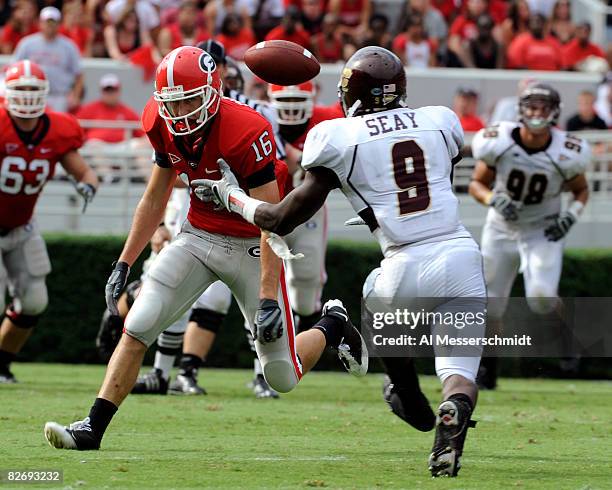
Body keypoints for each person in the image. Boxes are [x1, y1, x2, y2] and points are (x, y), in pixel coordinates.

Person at [44, 46, 367, 451]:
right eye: (173, 104)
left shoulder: (247, 130)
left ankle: (332, 324)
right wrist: (124, 261)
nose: (181, 114)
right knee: (140, 321)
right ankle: (92, 428)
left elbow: (269, 219)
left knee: (281, 376)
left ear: (214, 91)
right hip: (198, 235)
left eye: (191, 100)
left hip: (253, 243)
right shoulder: (160, 122)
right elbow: (154, 196)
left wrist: (268, 294)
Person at [192, 46, 486, 478]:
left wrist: (228, 195)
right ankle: (453, 409)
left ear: (352, 93)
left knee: (374, 296)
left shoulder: (338, 137)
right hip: (461, 254)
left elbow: (279, 218)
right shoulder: (440, 119)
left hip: (403, 262)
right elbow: (432, 172)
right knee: (459, 373)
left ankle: (407, 397)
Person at [469, 83, 590, 389]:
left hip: (542, 230)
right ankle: (487, 367)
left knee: (540, 297)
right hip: (501, 228)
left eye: (543, 108)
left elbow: (581, 189)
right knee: (491, 304)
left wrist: (570, 216)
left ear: (554, 113)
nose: (537, 113)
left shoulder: (566, 151)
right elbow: (477, 184)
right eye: (532, 107)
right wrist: (492, 199)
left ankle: (566, 341)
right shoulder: (499, 142)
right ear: (522, 110)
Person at [0, 60, 98, 384]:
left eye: (32, 90)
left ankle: (2, 363)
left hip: (22, 226)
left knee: (33, 300)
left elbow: (83, 171)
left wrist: (88, 183)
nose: (27, 97)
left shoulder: (57, 129)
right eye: (21, 90)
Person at [13, 6, 83, 112]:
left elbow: (79, 74)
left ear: (59, 24)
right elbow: (15, 68)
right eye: (46, 22)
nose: (49, 26)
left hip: (59, 95)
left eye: (53, 22)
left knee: (57, 125)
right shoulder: (27, 44)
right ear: (40, 23)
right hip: (32, 94)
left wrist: (76, 96)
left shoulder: (69, 46)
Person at [76, 74, 144, 143]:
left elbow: (142, 132)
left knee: (138, 144)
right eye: (107, 90)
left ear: (118, 91)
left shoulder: (127, 111)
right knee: (93, 144)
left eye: (113, 90)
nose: (110, 93)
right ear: (102, 91)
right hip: (97, 148)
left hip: (122, 147)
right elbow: (76, 128)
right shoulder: (89, 109)